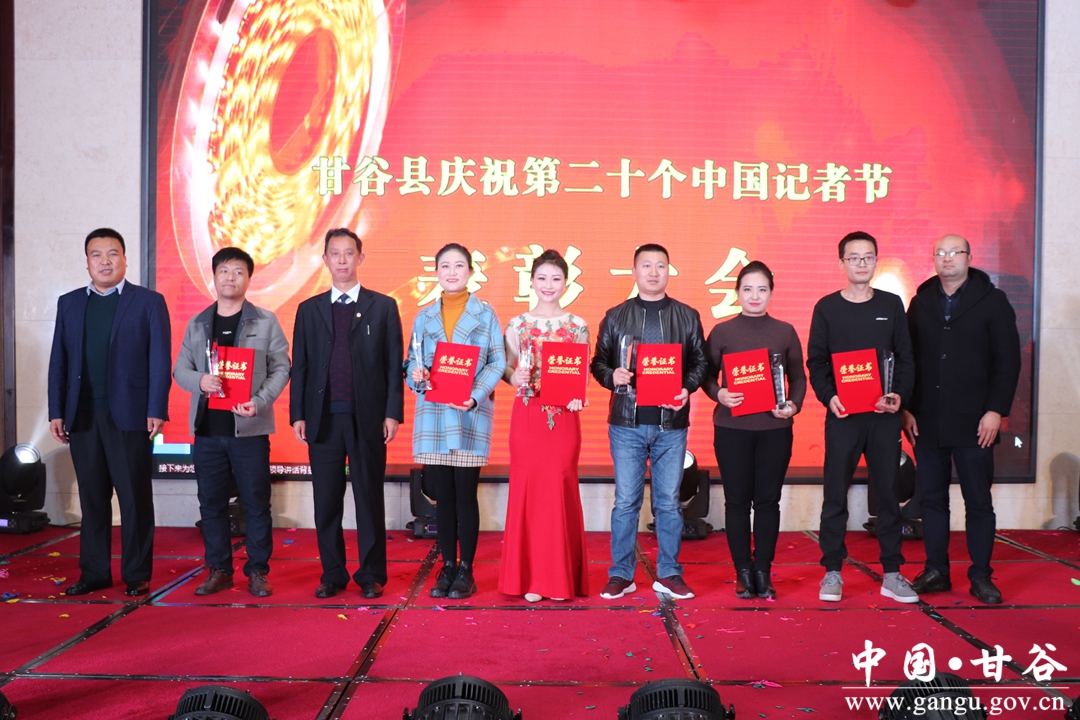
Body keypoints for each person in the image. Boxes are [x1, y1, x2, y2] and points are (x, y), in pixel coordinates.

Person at [48, 228, 172, 597]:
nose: (105, 261)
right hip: (82, 416)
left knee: (134, 498)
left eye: (112, 253)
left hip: (130, 416)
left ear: (125, 259)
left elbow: (159, 359)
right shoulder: (69, 303)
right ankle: (94, 572)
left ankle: (136, 573)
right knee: (92, 499)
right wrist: (57, 410)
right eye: (96, 254)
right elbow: (59, 362)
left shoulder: (148, 302)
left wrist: (156, 408)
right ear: (87, 262)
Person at [903, 234, 1021, 605]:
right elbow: (907, 359)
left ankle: (981, 575)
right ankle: (936, 570)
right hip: (927, 419)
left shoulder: (993, 300)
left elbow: (1008, 360)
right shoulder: (920, 302)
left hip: (976, 422)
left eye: (955, 252)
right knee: (932, 500)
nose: (947, 258)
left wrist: (996, 410)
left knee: (978, 502)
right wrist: (906, 408)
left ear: (969, 257)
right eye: (940, 252)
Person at [590, 243, 708, 601]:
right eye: (646, 265)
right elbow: (598, 362)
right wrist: (612, 376)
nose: (653, 272)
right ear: (634, 271)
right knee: (626, 501)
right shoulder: (615, 316)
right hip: (626, 424)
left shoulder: (687, 316)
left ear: (669, 271)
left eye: (660, 266)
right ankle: (621, 574)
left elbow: (700, 362)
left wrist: (687, 387)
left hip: (671, 425)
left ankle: (669, 573)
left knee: (668, 503)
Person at [291, 228, 404, 600]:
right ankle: (332, 573)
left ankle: (371, 575)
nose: (342, 260)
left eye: (349, 253)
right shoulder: (309, 310)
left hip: (367, 418)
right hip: (322, 419)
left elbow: (393, 366)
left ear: (360, 258)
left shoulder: (383, 307)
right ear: (325, 260)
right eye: (335, 253)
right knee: (326, 501)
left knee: (369, 499)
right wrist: (298, 414)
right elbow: (300, 367)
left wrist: (392, 413)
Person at [806, 230, 918, 604]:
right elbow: (816, 362)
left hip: (883, 417)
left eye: (868, 257)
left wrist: (899, 397)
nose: (861, 263)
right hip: (843, 417)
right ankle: (832, 571)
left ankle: (892, 573)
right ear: (841, 263)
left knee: (888, 494)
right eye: (853, 258)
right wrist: (830, 397)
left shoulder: (891, 304)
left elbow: (906, 358)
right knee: (835, 494)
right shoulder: (827, 308)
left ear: (876, 261)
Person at [173, 247, 291, 597]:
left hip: (250, 430)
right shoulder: (198, 323)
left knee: (256, 502)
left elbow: (282, 367)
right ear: (214, 276)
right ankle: (219, 570)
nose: (230, 277)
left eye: (238, 271)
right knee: (211, 504)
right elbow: (180, 370)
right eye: (224, 271)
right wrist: (200, 381)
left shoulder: (266, 321)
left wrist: (260, 401)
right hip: (208, 430)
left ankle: (257, 571)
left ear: (249, 278)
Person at [406, 243, 505, 600]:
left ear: (470, 272)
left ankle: (467, 570)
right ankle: (447, 566)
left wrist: (475, 395)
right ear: (436, 272)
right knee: (443, 498)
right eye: (445, 266)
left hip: (469, 413)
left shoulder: (485, 314)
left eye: (459, 266)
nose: (451, 272)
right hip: (434, 414)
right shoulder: (424, 317)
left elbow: (497, 361)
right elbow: (412, 362)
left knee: (465, 495)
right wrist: (416, 374)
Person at [703, 261, 805, 599]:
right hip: (732, 428)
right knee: (736, 502)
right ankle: (743, 572)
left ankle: (763, 569)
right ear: (737, 293)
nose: (755, 295)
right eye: (748, 289)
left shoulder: (784, 331)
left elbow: (798, 377)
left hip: (774, 428)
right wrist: (719, 393)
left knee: (768, 502)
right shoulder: (722, 332)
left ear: (771, 293)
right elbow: (705, 375)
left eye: (762, 289)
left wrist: (793, 405)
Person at [499, 249, 590, 602]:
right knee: (529, 492)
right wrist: (514, 377)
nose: (548, 285)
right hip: (527, 416)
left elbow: (580, 374)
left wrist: (577, 396)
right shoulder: (516, 325)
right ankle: (531, 580)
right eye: (542, 278)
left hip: (563, 417)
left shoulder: (577, 326)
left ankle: (559, 579)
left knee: (558, 490)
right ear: (532, 281)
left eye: (556, 278)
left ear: (566, 282)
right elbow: (506, 368)